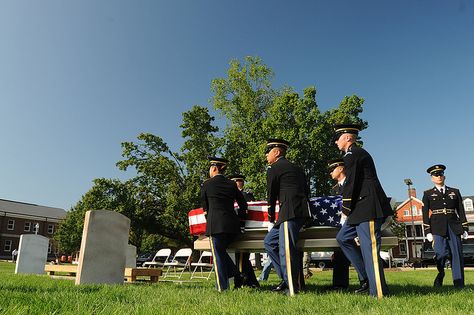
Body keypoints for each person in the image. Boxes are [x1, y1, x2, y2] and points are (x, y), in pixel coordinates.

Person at [333, 124, 392, 299]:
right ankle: (367, 278)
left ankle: (379, 292)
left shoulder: (354, 154)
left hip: (368, 207)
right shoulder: (351, 155)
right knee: (342, 238)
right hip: (360, 209)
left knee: (370, 250)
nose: (336, 142)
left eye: (338, 138)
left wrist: (345, 210)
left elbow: (351, 184)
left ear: (348, 138)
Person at [263, 138, 311, 296]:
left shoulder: (274, 168)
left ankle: (291, 287)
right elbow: (306, 191)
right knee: (269, 242)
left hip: (289, 213)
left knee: (286, 251)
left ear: (276, 152)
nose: (265, 155)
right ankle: (286, 278)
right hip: (298, 212)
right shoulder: (297, 168)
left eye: (268, 152)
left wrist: (270, 218)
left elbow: (271, 195)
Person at [201, 157, 248, 291]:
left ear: (214, 168)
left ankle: (223, 288)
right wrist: (239, 219)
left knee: (218, 257)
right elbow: (243, 205)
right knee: (220, 253)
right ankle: (237, 275)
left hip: (216, 225)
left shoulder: (207, 184)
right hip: (232, 227)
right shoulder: (232, 184)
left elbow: (205, 207)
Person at [422, 164, 468, 289]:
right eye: (436, 175)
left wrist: (465, 227)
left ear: (444, 176)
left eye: (440, 174)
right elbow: (425, 213)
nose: (438, 177)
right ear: (432, 178)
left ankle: (459, 284)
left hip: (454, 226)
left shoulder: (454, 191)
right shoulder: (428, 194)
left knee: (457, 254)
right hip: (437, 227)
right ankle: (440, 273)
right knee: (440, 253)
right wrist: (427, 231)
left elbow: (461, 210)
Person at [229, 174, 260, 288]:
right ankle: (250, 281)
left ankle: (242, 281)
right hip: (239, 229)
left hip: (244, 230)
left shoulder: (246, 196)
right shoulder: (244, 195)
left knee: (242, 257)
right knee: (242, 258)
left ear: (238, 183)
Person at [327, 158, 351, 290]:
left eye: (332, 169)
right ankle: (339, 285)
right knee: (339, 254)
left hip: (353, 221)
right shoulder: (335, 189)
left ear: (341, 169)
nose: (330, 172)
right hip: (340, 225)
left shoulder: (351, 184)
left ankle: (366, 284)